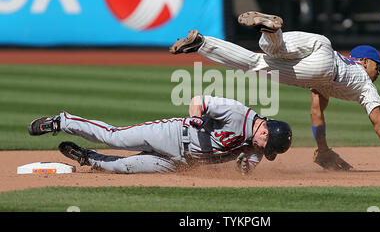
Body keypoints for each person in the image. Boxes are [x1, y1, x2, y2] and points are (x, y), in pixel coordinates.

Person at [169, 11, 380, 173]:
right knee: (258, 64)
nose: (379, 72)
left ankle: (205, 42)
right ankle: (266, 30)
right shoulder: (365, 83)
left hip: (322, 45)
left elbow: (317, 111)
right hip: (324, 70)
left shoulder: (344, 65)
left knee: (266, 52)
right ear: (365, 61)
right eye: (378, 66)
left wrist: (324, 148)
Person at [27, 95, 292, 174]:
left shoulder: (255, 144)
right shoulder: (237, 113)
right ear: (265, 131)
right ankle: (63, 121)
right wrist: (198, 116)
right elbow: (199, 100)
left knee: (123, 167)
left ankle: (87, 158)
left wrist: (246, 166)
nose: (262, 151)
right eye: (266, 147)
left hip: (179, 163)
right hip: (173, 135)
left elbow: (246, 168)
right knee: (115, 137)